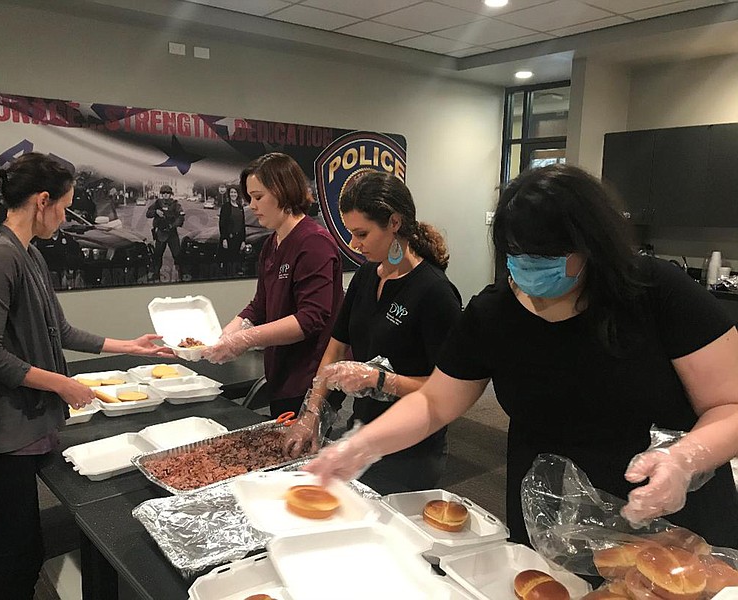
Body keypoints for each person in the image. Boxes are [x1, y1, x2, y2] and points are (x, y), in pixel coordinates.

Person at [306, 164, 738, 549]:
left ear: (589, 248)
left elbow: (729, 405)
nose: (529, 271)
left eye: (545, 257)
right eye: (517, 256)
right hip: (548, 519)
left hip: (666, 517)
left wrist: (685, 459)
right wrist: (363, 444)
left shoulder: (657, 293)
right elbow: (435, 401)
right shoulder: (494, 312)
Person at [0, 153, 174, 600]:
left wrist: (129, 346)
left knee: (0, 541)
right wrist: (61, 384)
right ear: (42, 201)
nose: (65, 218)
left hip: (12, 425)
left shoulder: (27, 254)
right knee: (14, 551)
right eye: (64, 207)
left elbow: (59, 330)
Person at [283, 171, 462, 494]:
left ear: (394, 222)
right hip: (361, 434)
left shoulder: (435, 292)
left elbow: (448, 391)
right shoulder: (366, 276)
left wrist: (380, 380)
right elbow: (336, 350)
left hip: (411, 452)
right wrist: (313, 413)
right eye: (351, 233)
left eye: (362, 233)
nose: (354, 244)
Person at [201, 153, 343, 418]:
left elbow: (312, 318)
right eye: (249, 198)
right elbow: (260, 305)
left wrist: (245, 339)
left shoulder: (314, 243)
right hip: (280, 371)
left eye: (258, 197)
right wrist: (224, 336)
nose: (252, 206)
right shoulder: (272, 244)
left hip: (309, 377)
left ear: (282, 191)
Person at [146, 184, 185, 281]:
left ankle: (181, 274)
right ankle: (156, 274)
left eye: (167, 193)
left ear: (170, 194)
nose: (165, 195)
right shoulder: (157, 203)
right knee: (157, 255)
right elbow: (148, 214)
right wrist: (156, 212)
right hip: (160, 234)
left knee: (177, 255)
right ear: (161, 194)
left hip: (172, 233)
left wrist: (173, 225)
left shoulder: (175, 204)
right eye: (163, 193)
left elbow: (181, 217)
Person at [219, 186, 246, 277]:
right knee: (228, 263)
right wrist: (224, 239)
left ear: (237, 194)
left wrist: (243, 241)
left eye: (235, 192)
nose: (233, 194)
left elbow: (243, 225)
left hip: (238, 239)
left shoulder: (240, 207)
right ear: (229, 194)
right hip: (229, 239)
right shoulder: (226, 207)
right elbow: (222, 224)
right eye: (231, 193)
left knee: (237, 262)